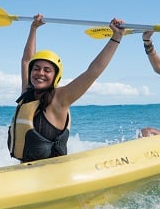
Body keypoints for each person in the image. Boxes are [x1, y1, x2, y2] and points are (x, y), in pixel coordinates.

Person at [8, 14, 126, 162]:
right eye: (36, 69)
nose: (40, 73)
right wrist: (34, 28)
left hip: (52, 173)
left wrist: (117, 37)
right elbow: (26, 60)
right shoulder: (27, 93)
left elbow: (93, 72)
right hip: (26, 169)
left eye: (47, 70)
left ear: (56, 75)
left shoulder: (60, 98)